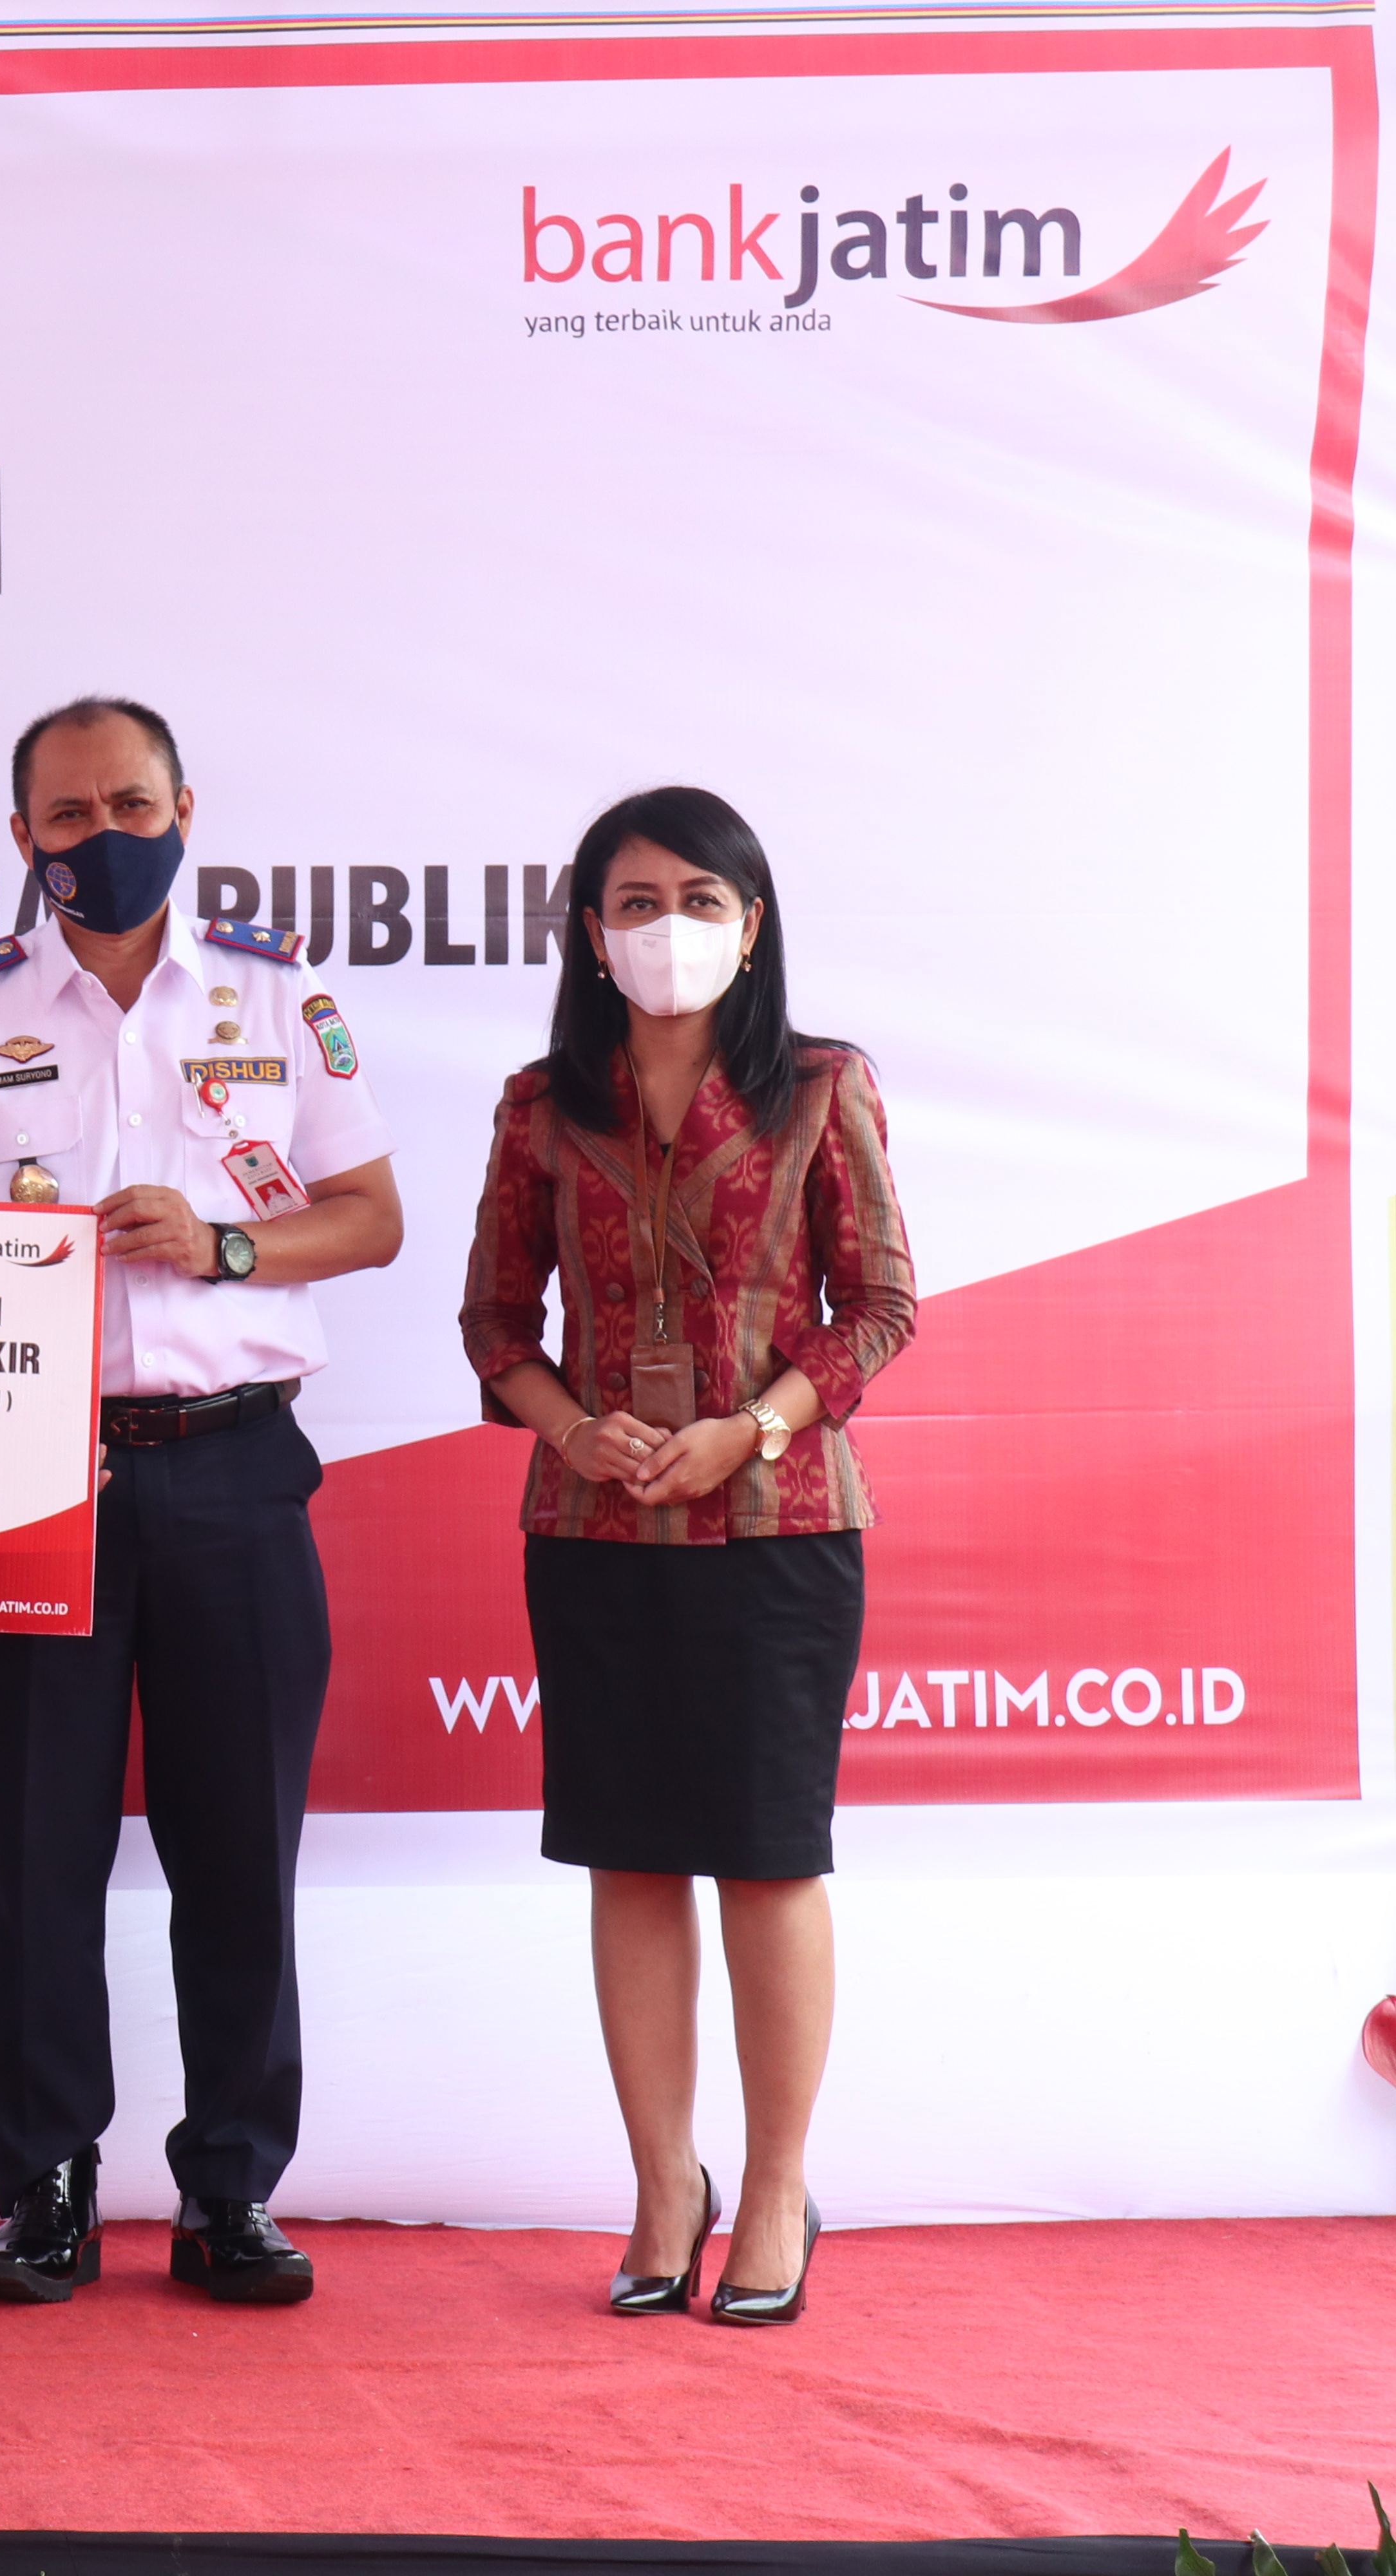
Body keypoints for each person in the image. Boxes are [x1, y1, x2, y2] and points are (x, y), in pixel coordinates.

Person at [0, 696, 401, 2307]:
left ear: (185, 808)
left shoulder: (274, 990)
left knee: (241, 1850)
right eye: (69, 813)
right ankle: (45, 2186)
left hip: (238, 1465)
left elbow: (369, 1216)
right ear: (21, 835)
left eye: (131, 805)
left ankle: (232, 2187)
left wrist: (227, 1243)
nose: (104, 835)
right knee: (41, 1855)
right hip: (37, 1479)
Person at [459, 785, 914, 2327]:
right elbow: (494, 1322)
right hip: (596, 1527)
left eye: (700, 900)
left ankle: (778, 2185)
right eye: (637, 903)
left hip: (778, 1526)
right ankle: (667, 2183)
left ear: (752, 922)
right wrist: (575, 1429)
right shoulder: (542, 1103)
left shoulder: (823, 1086)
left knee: (770, 1855)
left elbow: (881, 1306)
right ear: (592, 933)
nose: (669, 929)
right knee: (631, 1853)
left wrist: (753, 1428)